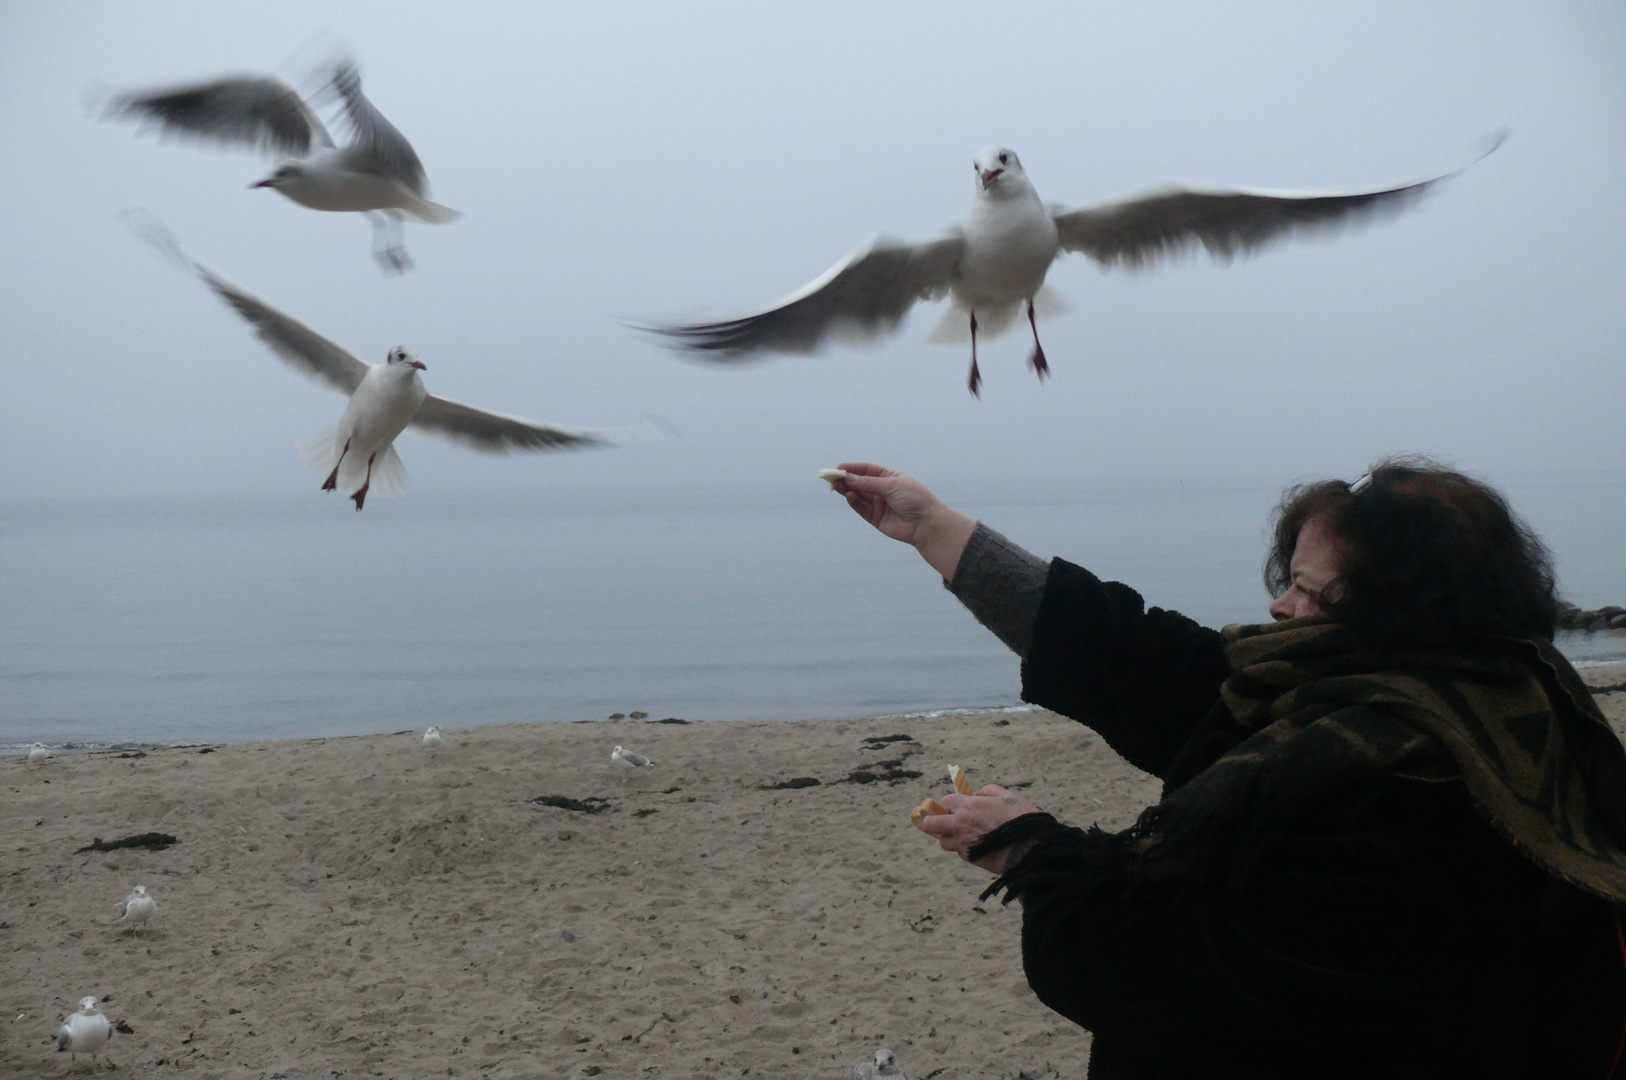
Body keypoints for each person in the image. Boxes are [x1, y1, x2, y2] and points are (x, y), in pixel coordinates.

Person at [828, 457, 1626, 1080]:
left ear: (1390, 616)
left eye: (1307, 591)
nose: (1278, 608)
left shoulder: (1406, 786)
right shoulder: (1467, 692)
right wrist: (936, 529)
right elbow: (1136, 655)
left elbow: (1194, 983)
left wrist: (1036, 853)